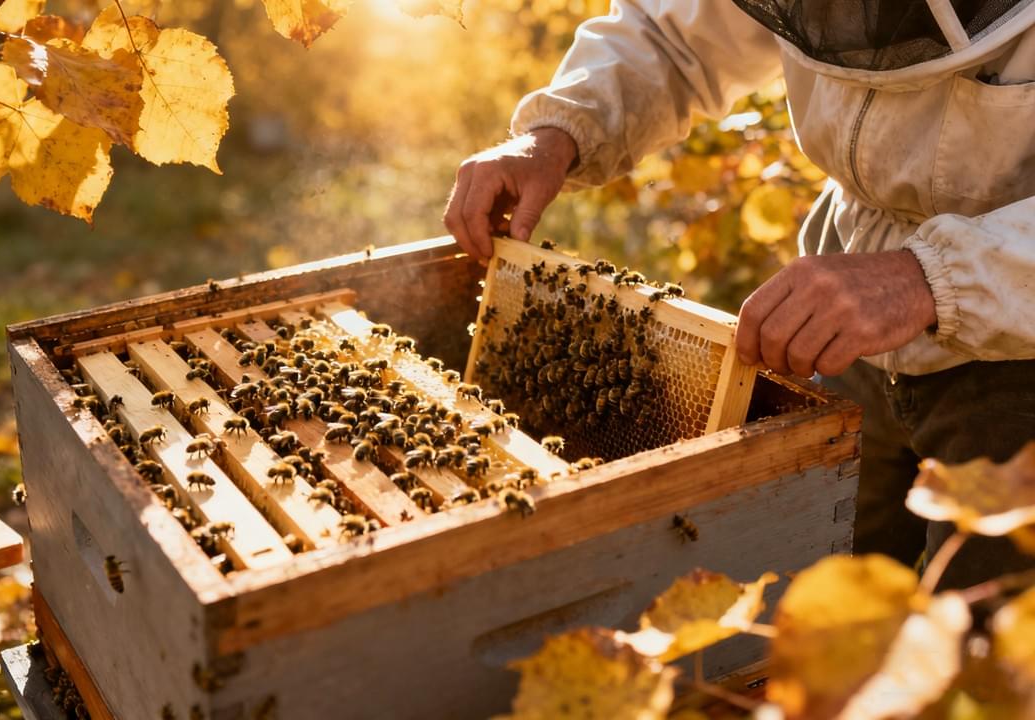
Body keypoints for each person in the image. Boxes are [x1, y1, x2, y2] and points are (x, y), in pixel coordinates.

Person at [443, 0, 1035, 589]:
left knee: (981, 631)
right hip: (847, 323)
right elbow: (675, 35)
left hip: (1017, 360)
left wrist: (928, 277)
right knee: (815, 602)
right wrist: (558, 131)